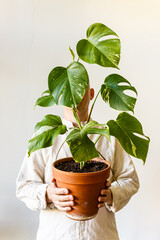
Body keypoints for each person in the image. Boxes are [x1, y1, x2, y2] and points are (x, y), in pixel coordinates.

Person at [16, 86, 139, 240]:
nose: (74, 94)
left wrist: (111, 194)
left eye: (80, 87)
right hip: (57, 235)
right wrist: (49, 194)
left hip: (100, 235)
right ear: (58, 96)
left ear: (92, 93)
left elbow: (131, 180)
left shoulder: (108, 136)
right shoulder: (46, 135)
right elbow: (24, 186)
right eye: (67, 89)